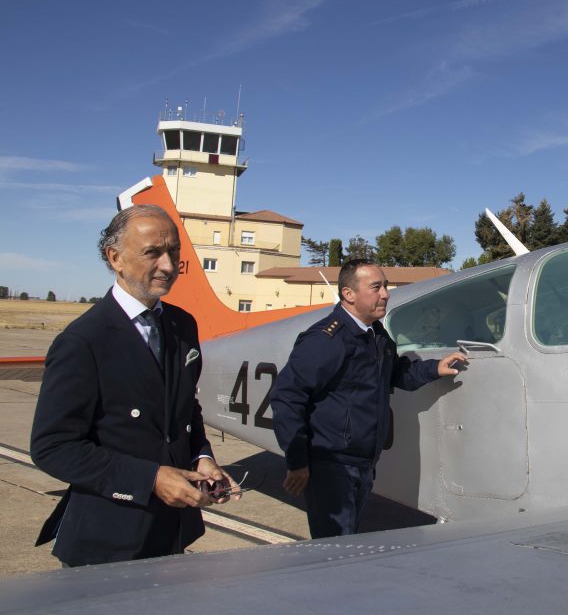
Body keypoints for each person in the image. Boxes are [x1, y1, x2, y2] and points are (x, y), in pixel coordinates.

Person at [31, 204, 236, 567]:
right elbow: (53, 446)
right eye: (153, 253)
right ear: (115, 258)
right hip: (108, 541)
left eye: (174, 252)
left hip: (172, 531)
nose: (169, 266)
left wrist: (201, 457)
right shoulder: (83, 341)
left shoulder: (181, 325)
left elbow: (185, 409)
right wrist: (151, 479)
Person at [270, 259, 467, 538]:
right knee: (335, 551)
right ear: (349, 295)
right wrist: (298, 461)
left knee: (348, 541)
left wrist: (434, 368)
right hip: (331, 466)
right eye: (376, 287)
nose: (386, 293)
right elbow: (287, 397)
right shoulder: (326, 340)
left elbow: (396, 373)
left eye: (385, 286)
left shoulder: (376, 334)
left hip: (363, 463)